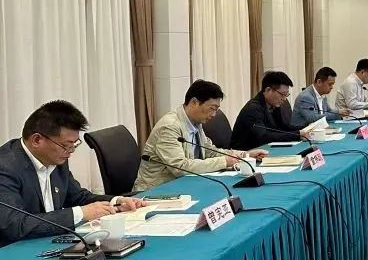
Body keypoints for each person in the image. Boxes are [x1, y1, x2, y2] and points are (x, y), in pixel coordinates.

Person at [0, 101, 147, 246]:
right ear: (37, 140)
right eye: (65, 146)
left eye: (74, 144)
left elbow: (78, 196)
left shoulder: (56, 157)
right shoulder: (5, 167)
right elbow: (14, 226)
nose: (70, 152)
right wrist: (80, 213)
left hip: (49, 243)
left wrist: (116, 202)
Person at [134, 80, 267, 192]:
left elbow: (210, 152)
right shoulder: (170, 127)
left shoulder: (195, 123)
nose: (214, 115)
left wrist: (245, 155)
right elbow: (180, 167)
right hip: (156, 191)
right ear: (194, 102)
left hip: (184, 185)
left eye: (216, 110)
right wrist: (224, 161)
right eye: (212, 108)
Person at [231, 71, 313, 151]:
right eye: (282, 94)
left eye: (286, 95)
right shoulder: (253, 109)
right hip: (248, 153)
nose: (284, 99)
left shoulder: (273, 104)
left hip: (265, 149)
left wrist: (305, 128)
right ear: (268, 90)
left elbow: (282, 127)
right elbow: (263, 137)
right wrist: (298, 134)